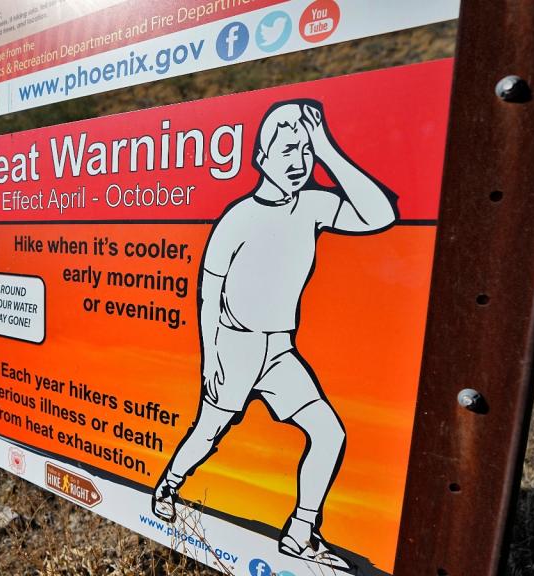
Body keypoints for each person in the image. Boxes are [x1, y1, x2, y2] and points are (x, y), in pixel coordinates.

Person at [150, 100, 397, 573]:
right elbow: (209, 290)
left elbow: (379, 214)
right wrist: (212, 359)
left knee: (329, 433)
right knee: (210, 430)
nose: (299, 161)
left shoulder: (313, 205)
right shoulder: (239, 218)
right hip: (236, 346)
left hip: (280, 351)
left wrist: (327, 149)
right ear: (262, 158)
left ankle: (300, 533)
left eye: (305, 150)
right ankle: (168, 485)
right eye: (287, 150)